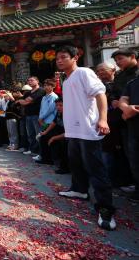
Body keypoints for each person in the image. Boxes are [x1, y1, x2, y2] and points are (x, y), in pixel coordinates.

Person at [55, 45, 116, 231]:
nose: (59, 60)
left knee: (96, 169)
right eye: (57, 58)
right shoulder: (66, 80)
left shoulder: (83, 73)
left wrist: (103, 119)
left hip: (88, 129)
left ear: (75, 58)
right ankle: (80, 190)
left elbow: (100, 94)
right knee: (76, 163)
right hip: (73, 130)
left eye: (64, 57)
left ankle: (106, 209)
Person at [118, 65, 139, 203]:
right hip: (134, 128)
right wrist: (126, 108)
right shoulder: (132, 83)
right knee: (135, 160)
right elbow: (123, 99)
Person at [16, 77, 45, 155]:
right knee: (30, 134)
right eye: (28, 80)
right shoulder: (29, 92)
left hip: (37, 115)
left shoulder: (41, 90)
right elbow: (20, 100)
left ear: (37, 81)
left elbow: (26, 101)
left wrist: (24, 101)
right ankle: (33, 150)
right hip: (28, 115)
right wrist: (23, 101)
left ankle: (41, 152)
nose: (30, 82)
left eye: (32, 80)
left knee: (38, 134)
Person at [33, 79, 58, 162]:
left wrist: (41, 118)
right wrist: (40, 118)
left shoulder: (53, 96)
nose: (46, 87)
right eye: (45, 85)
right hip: (43, 120)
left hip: (50, 121)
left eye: (49, 85)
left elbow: (50, 109)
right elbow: (41, 109)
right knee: (42, 139)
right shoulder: (44, 97)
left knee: (48, 139)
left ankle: (49, 158)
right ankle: (43, 156)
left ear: (53, 86)